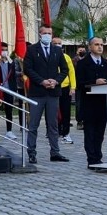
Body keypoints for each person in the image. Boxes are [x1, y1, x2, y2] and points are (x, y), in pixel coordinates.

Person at [22, 25, 69, 164]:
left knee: (53, 124)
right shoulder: (31, 50)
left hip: (53, 92)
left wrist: (57, 81)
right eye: (45, 33)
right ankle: (31, 152)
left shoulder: (57, 50)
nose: (47, 35)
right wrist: (41, 81)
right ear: (40, 34)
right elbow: (28, 69)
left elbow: (64, 69)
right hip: (37, 92)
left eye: (50, 33)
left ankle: (55, 152)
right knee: (33, 124)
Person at [78, 36, 107, 167]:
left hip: (104, 103)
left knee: (100, 132)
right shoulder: (83, 63)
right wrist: (94, 82)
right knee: (90, 132)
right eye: (96, 44)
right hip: (89, 103)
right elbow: (80, 83)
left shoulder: (106, 63)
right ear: (90, 47)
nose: (100, 47)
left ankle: (98, 156)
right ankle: (91, 159)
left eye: (101, 44)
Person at [0, 43, 23, 137]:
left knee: (9, 111)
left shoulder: (11, 63)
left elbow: (14, 76)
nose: (4, 52)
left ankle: (9, 131)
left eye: (5, 50)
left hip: (9, 90)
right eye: (2, 49)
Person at [52, 36, 76, 144]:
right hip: (52, 87)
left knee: (66, 111)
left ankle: (66, 133)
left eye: (59, 43)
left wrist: (73, 87)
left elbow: (71, 72)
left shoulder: (66, 57)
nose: (58, 45)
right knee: (53, 112)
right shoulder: (48, 56)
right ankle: (54, 133)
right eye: (55, 43)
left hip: (65, 87)